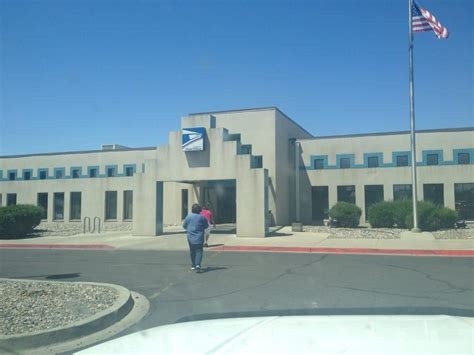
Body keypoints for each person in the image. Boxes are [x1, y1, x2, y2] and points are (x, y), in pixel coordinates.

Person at [182, 203, 208, 273]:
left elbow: (184, 226)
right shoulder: (202, 217)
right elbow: (206, 226)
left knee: (192, 251)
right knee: (199, 251)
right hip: (199, 237)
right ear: (200, 210)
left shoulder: (188, 217)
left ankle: (193, 265)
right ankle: (198, 265)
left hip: (190, 237)